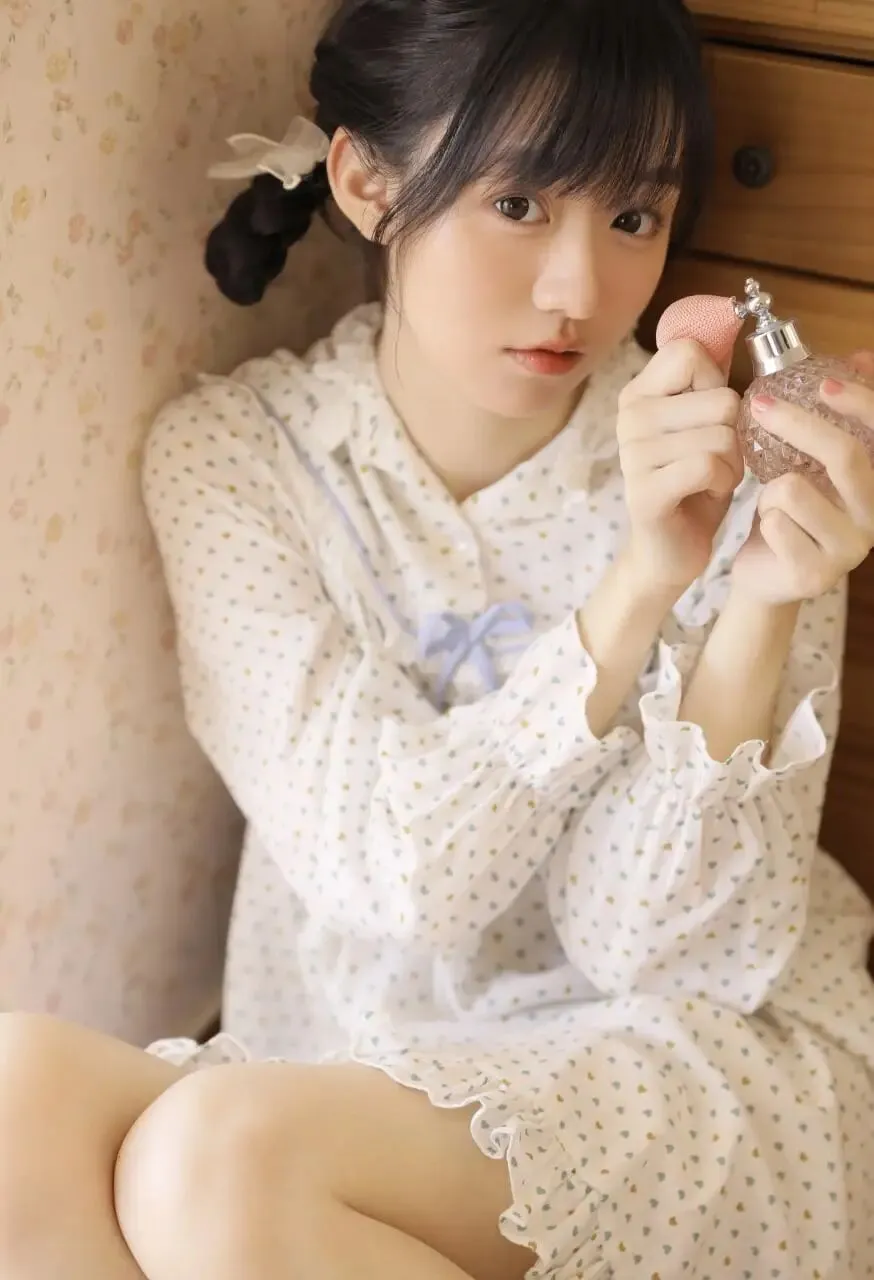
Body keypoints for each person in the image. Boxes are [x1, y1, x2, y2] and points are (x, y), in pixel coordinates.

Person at [2, 0, 873, 1276]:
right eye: (517, 202)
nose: (578, 289)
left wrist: (737, 590)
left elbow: (669, 954)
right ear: (367, 182)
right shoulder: (236, 461)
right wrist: (625, 596)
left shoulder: (747, 477)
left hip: (677, 1068)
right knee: (17, 1101)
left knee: (223, 1164)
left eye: (633, 217)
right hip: (343, 1050)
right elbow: (389, 872)